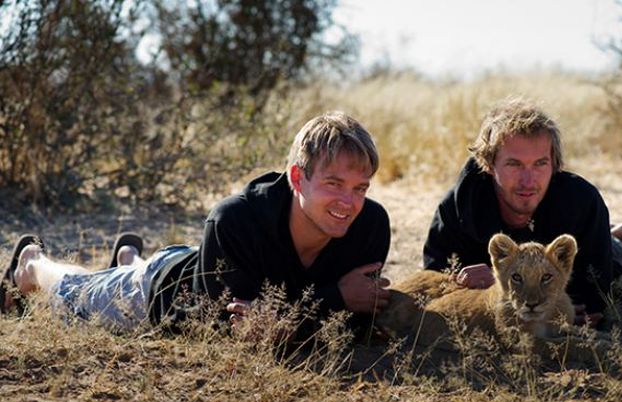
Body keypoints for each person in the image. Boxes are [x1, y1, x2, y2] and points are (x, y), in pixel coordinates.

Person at [1, 111, 392, 339]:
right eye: (333, 184)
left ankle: (128, 258)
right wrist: (336, 299)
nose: (349, 202)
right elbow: (236, 333)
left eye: (360, 188)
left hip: (208, 264)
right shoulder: (235, 219)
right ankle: (33, 264)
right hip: (160, 293)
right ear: (296, 178)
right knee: (75, 293)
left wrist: (289, 318)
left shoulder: (371, 225)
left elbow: (340, 328)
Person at [422, 98, 622, 327]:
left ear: (554, 164)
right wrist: (469, 286)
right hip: (530, 281)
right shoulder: (456, 210)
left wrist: (558, 310)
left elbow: (592, 305)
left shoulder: (581, 202)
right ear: (488, 164)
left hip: (588, 250)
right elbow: (431, 291)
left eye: (540, 164)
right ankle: (615, 232)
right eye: (514, 164)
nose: (528, 181)